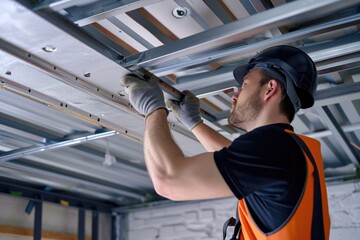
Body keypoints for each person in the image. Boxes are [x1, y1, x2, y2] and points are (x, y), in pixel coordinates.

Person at [120, 45, 330, 240]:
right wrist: (194, 124)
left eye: (245, 84)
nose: (234, 95)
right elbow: (237, 162)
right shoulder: (292, 149)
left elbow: (168, 180)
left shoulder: (275, 147)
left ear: (270, 89)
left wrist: (153, 110)